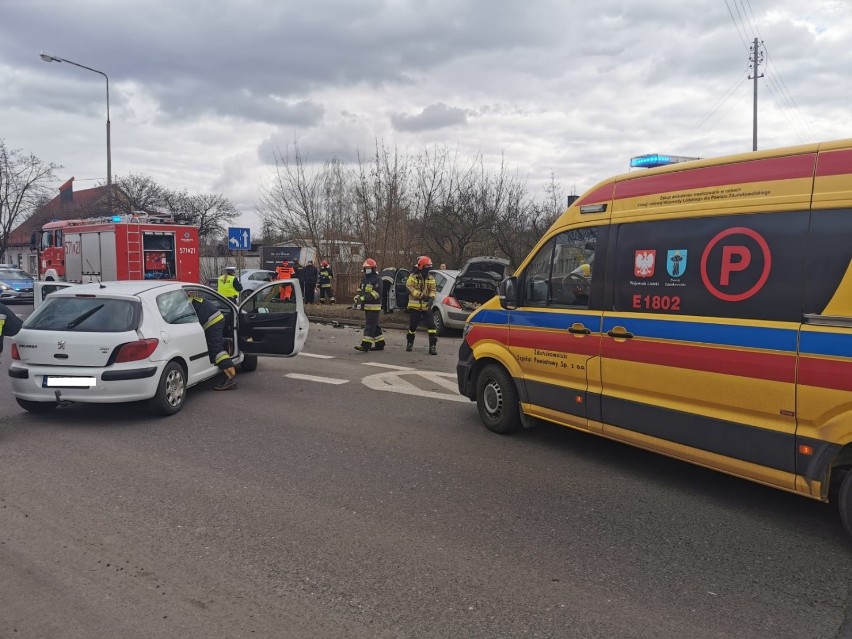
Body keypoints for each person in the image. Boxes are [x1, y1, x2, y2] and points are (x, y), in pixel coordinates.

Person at [187, 292, 237, 391]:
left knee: (216, 350)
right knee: (215, 344)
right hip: (214, 317)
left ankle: (231, 378)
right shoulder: (187, 299)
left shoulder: (183, 303)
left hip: (212, 321)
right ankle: (226, 343)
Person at [405, 255, 438, 355]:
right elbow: (409, 288)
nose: (428, 269)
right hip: (415, 307)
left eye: (429, 267)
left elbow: (433, 289)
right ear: (421, 267)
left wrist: (432, 298)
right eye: (427, 267)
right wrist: (421, 296)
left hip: (426, 307)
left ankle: (432, 346)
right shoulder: (413, 277)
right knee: (412, 327)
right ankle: (410, 343)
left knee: (432, 326)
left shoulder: (430, 278)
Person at [353, 258, 385, 352]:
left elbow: (377, 293)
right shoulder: (365, 279)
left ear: (373, 268)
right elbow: (361, 289)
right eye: (366, 268)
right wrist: (358, 296)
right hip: (366, 306)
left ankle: (366, 345)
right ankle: (380, 343)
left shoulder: (377, 279)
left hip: (374, 306)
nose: (367, 270)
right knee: (374, 325)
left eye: (368, 268)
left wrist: (364, 298)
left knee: (370, 325)